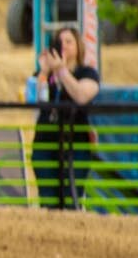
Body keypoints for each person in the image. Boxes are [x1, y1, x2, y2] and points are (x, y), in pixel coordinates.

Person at [32, 23, 100, 210]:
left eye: (69, 41)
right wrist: (45, 72)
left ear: (78, 46)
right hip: (46, 144)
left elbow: (81, 95)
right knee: (48, 202)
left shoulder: (87, 73)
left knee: (71, 198)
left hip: (75, 144)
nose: (64, 45)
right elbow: (38, 102)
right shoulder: (43, 75)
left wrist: (62, 71)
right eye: (60, 41)